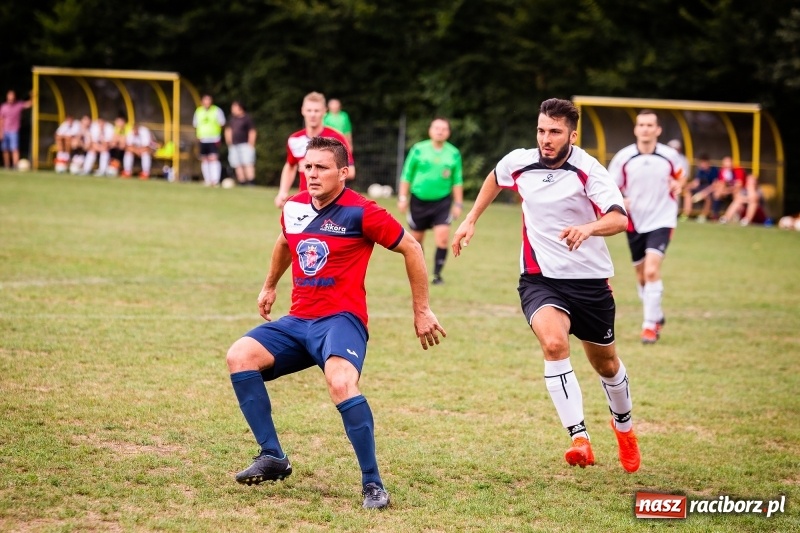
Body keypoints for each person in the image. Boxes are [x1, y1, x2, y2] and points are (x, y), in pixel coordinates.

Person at [226, 136, 446, 509]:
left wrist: (421, 309)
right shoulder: (294, 207)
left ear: (342, 173)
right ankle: (273, 455)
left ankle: (373, 485)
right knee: (240, 355)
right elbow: (284, 243)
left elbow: (412, 246)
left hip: (341, 322)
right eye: (308, 167)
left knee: (342, 382)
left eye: (321, 168)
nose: (312, 174)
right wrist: (269, 286)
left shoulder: (363, 211)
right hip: (298, 321)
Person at [451, 98, 639, 473]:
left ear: (572, 133)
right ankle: (579, 438)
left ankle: (625, 429)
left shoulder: (588, 170)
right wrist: (471, 219)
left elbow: (619, 219)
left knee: (606, 364)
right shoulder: (520, 161)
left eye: (554, 132)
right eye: (541, 130)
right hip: (539, 279)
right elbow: (494, 177)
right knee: (553, 344)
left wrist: (588, 228)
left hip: (589, 282)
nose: (546, 139)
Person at [608, 110, 686, 344]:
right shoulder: (623, 158)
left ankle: (649, 326)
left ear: (658, 130)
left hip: (662, 219)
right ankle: (656, 313)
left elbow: (681, 177)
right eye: (641, 124)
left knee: (652, 271)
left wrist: (678, 185)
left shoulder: (670, 156)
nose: (645, 129)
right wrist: (621, 199)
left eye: (650, 125)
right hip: (634, 222)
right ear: (636, 129)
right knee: (642, 276)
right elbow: (611, 188)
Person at [397, 117, 464, 285]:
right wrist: (403, 197)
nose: (440, 131)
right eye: (436, 127)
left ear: (448, 132)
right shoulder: (418, 149)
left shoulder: (454, 153)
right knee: (416, 242)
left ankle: (437, 275)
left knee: (442, 239)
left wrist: (458, 203)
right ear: (430, 130)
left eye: (443, 128)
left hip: (442, 202)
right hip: (418, 201)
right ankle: (419, 273)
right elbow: (406, 175)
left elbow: (457, 180)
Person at [273, 92, 354, 208]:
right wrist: (282, 192)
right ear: (302, 111)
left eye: (316, 111)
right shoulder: (294, 139)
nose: (312, 114)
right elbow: (290, 166)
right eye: (309, 110)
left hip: (332, 204)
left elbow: (350, 171)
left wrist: (318, 167)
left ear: (324, 111)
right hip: (305, 204)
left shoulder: (336, 138)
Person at [193, 93, 226, 186]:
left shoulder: (216, 110)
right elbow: (196, 125)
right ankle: (207, 180)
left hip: (213, 138)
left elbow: (222, 123)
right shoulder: (198, 111)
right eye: (205, 100)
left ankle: (215, 180)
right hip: (203, 139)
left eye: (209, 100)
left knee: (213, 158)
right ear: (202, 101)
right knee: (204, 159)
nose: (207, 102)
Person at [224, 101, 257, 185]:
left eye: (234, 107)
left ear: (240, 108)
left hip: (245, 144)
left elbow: (252, 131)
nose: (232, 109)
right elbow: (228, 130)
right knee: (237, 164)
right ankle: (242, 181)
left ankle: (251, 182)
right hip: (234, 145)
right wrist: (229, 141)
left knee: (247, 163)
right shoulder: (232, 119)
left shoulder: (247, 118)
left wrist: (251, 143)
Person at [0, 90, 33, 169]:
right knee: (5, 149)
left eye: (12, 96)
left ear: (14, 97)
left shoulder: (18, 105)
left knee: (15, 149)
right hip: (5, 130)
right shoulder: (3, 107)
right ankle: (7, 165)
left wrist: (32, 96)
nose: (11, 97)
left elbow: (29, 104)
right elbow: (1, 119)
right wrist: (0, 132)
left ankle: (15, 166)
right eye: (9, 96)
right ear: (7, 97)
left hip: (14, 131)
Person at [680, 153, 718, 222]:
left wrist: (704, 193)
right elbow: (696, 183)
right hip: (700, 189)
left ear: (707, 163)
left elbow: (714, 185)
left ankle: (703, 216)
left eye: (703, 163)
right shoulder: (700, 170)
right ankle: (686, 214)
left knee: (707, 198)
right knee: (687, 193)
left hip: (709, 190)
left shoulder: (714, 170)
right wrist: (687, 186)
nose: (702, 165)